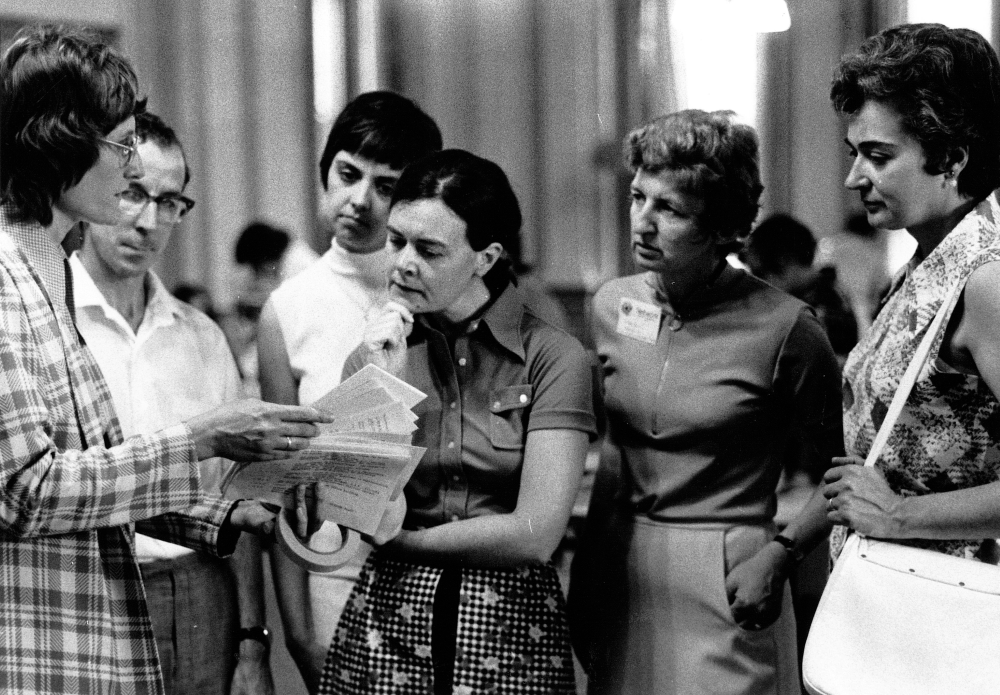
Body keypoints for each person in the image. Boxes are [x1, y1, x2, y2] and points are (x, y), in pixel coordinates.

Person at [0, 25, 326, 694]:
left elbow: (98, 484)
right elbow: (26, 492)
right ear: (60, 143)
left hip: (90, 649)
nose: (129, 168)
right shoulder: (6, 276)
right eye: (120, 145)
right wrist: (203, 436)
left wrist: (229, 515)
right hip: (41, 654)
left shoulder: (48, 270)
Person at [569, 110, 843, 695]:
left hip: (733, 572)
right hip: (626, 566)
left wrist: (780, 557)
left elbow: (841, 473)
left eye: (669, 209)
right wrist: (587, 584)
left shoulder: (787, 327)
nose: (642, 223)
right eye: (638, 197)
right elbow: (615, 458)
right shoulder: (612, 307)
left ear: (723, 227)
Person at [316, 149, 597, 695]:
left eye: (429, 250)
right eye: (397, 241)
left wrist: (404, 544)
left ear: (486, 258)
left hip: (509, 626)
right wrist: (383, 385)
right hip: (388, 624)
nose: (402, 263)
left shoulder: (552, 356)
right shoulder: (376, 350)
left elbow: (535, 534)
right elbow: (353, 507)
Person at [70, 112, 274, 695]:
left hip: (200, 585)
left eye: (170, 202)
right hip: (93, 586)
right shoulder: (48, 321)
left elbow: (239, 492)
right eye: (133, 193)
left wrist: (252, 645)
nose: (149, 221)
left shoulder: (202, 336)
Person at [257, 91, 442, 689]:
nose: (360, 200)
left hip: (440, 567)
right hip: (335, 571)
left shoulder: (442, 297)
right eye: (347, 174)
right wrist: (297, 629)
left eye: (386, 186)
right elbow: (281, 488)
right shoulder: (288, 308)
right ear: (326, 171)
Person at [822, 24, 1000, 577]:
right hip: (886, 594)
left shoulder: (985, 279)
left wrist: (898, 515)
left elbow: (889, 499)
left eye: (878, 155)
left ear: (951, 160)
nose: (855, 178)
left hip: (939, 608)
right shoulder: (925, 264)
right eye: (854, 153)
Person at [742, 213, 857, 359]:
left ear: (783, 260)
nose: (759, 283)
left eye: (760, 273)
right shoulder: (828, 293)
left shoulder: (824, 307)